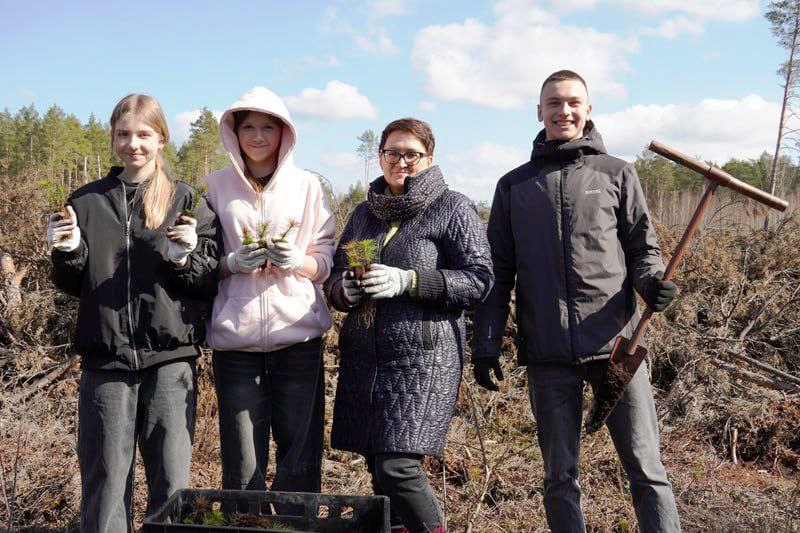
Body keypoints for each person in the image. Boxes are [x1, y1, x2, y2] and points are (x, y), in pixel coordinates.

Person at [471, 70, 682, 533]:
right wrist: (485, 342)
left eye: (573, 103)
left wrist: (651, 284)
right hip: (548, 355)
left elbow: (643, 250)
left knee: (646, 470)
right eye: (553, 103)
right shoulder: (514, 186)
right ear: (539, 110)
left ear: (588, 110)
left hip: (616, 349)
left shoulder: (616, 173)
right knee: (559, 476)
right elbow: (498, 273)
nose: (563, 111)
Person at [48, 94, 220, 533]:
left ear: (161, 138)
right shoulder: (86, 202)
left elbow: (206, 282)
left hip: (169, 363)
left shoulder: (187, 199)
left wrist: (186, 258)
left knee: (171, 490)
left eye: (144, 134)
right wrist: (67, 251)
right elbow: (72, 284)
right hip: (105, 365)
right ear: (113, 137)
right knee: (104, 488)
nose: (133, 144)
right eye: (123, 134)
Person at [325, 118, 494, 533]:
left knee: (399, 467)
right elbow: (336, 274)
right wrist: (343, 290)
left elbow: (479, 279)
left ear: (429, 158)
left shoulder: (452, 207)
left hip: (424, 356)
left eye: (411, 154)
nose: (401, 161)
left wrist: (411, 280)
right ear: (379, 156)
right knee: (379, 470)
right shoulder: (365, 215)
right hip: (367, 358)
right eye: (392, 153)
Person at [202, 87, 335, 500]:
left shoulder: (308, 186)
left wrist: (299, 260)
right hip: (236, 345)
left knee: (301, 453)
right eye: (248, 128)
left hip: (299, 338)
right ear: (233, 133)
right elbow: (201, 262)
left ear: (284, 134)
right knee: (243, 460)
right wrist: (231, 263)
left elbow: (326, 260)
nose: (258, 137)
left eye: (268, 128)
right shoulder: (214, 187)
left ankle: (297, 526)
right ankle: (249, 524)